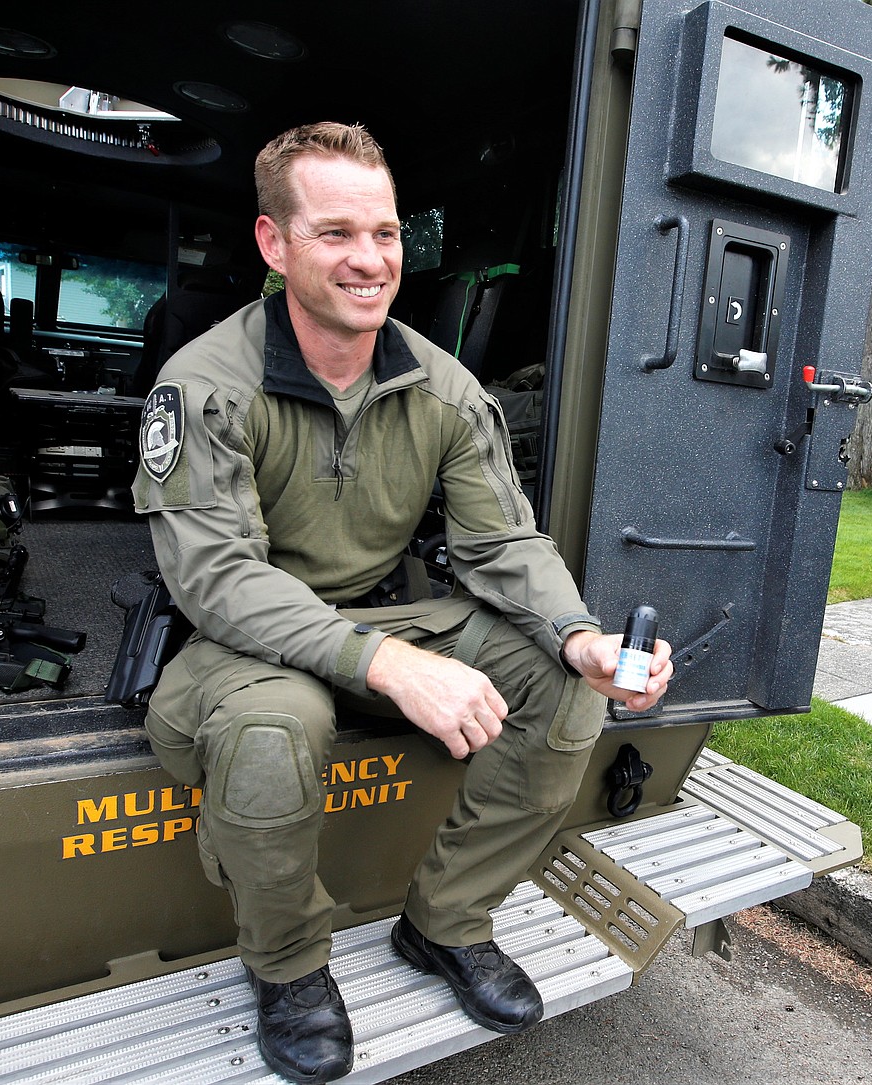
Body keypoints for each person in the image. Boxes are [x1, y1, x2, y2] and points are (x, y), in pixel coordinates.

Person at [133, 121, 673, 1085]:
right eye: (336, 233)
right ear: (274, 244)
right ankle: (291, 966)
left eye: (384, 234)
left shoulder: (445, 387)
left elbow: (503, 543)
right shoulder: (206, 384)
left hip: (381, 617)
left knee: (565, 688)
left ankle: (446, 923)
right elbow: (217, 579)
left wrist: (581, 636)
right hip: (241, 638)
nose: (370, 260)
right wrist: (384, 663)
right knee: (273, 728)